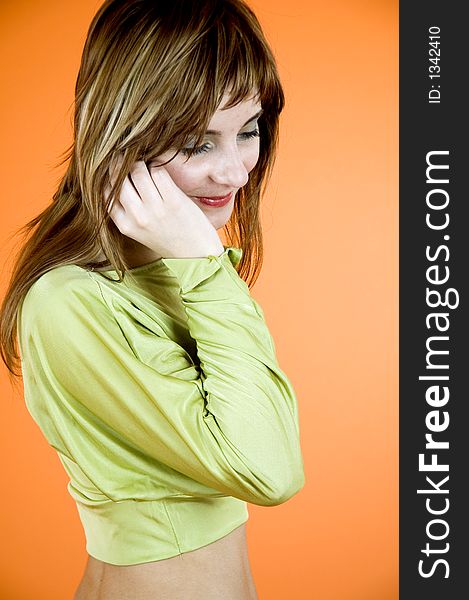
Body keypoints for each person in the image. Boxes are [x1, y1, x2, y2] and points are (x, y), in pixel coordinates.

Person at [0, 0, 305, 598]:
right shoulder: (69, 303)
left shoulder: (171, 267)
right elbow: (269, 470)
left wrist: (196, 263)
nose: (236, 171)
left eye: (248, 131)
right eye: (196, 143)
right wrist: (204, 264)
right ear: (121, 135)